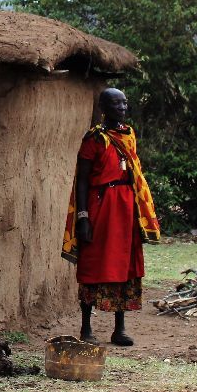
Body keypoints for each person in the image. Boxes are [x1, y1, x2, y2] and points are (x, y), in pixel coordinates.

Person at [60, 88, 161, 345]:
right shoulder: (94, 138)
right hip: (101, 206)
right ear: (104, 108)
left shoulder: (128, 135)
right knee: (93, 263)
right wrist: (83, 216)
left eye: (125, 103)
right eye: (116, 104)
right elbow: (82, 179)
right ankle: (86, 329)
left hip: (126, 208)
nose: (123, 108)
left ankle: (120, 328)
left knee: (126, 265)